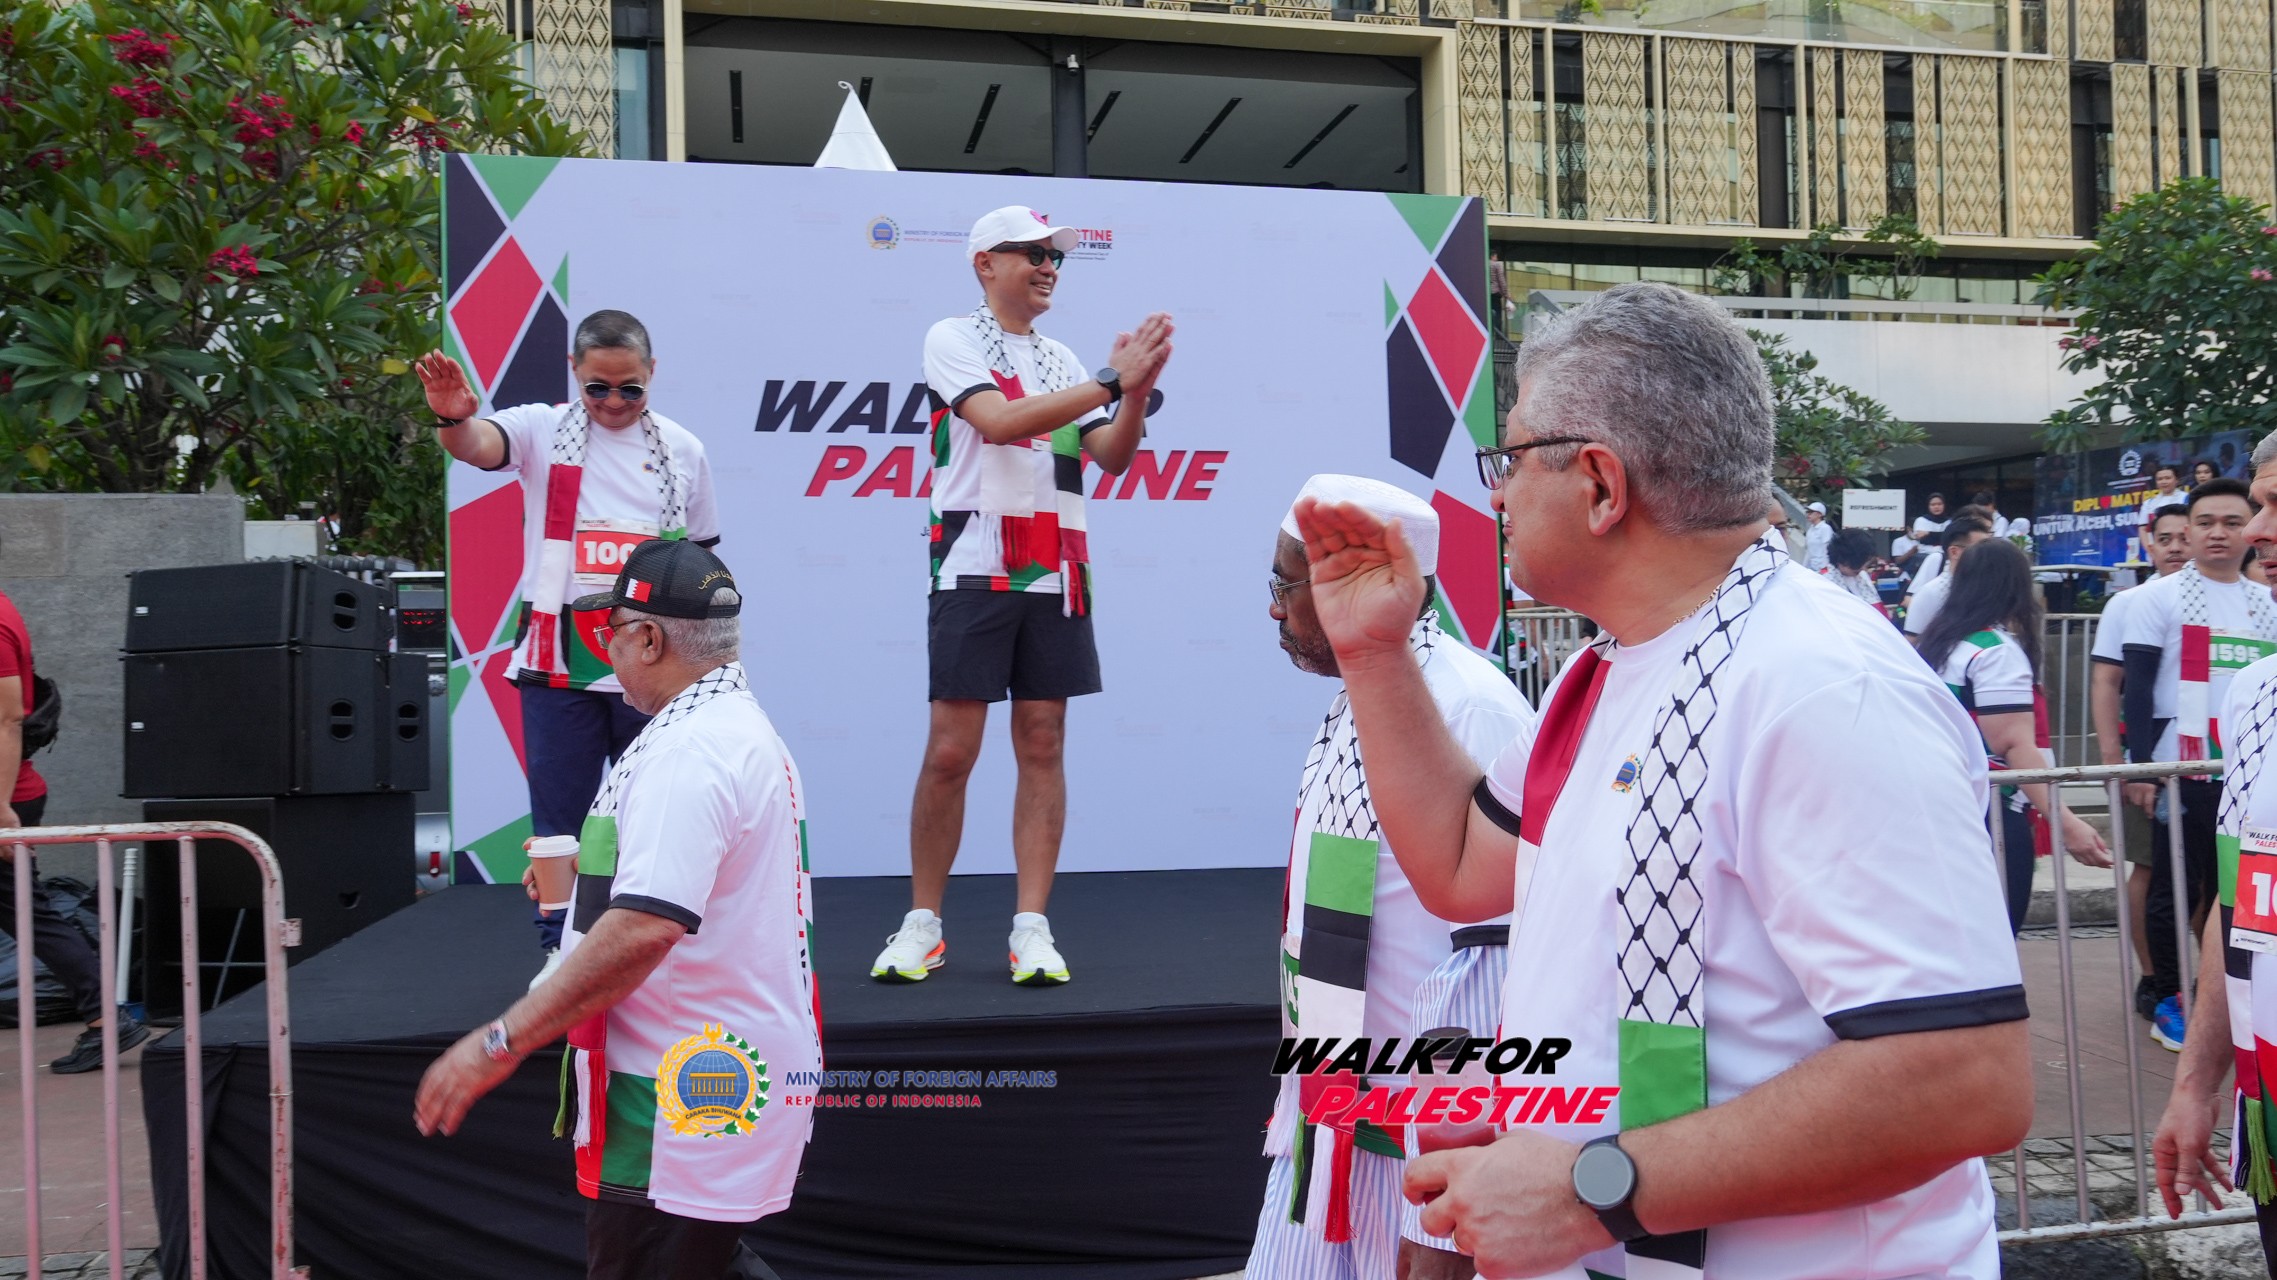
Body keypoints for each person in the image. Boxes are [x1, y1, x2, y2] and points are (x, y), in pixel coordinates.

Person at [1297, 283, 2029, 1280]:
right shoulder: (1611, 667)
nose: (1495, 496)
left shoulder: (1821, 687)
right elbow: (1461, 866)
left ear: (1601, 484)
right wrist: (1374, 649)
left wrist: (1593, 1187)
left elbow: (1963, 1080)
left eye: (1510, 459)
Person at [414, 540, 817, 1280]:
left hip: (678, 1089)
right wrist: (584, 892)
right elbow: (689, 895)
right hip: (705, 1072)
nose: (604, 647)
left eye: (611, 630)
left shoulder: (689, 750)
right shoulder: (723, 727)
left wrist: (498, 1043)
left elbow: (645, 929)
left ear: (651, 638)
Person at [870, 206, 1171, 987]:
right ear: (984, 263)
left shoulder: (1062, 357)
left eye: (1054, 256)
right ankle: (923, 923)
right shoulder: (952, 337)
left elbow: (1110, 456)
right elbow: (998, 424)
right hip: (972, 566)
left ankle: (1030, 928)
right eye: (1031, 253)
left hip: (1056, 568)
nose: (1047, 267)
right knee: (950, 752)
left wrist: (1132, 396)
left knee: (1042, 742)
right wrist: (1109, 380)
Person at [1248, 475, 1535, 1280]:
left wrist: (1441, 1211)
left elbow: (1489, 968)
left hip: (1412, 1158)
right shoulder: (1363, 692)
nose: (1272, 609)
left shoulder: (1469, 707)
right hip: (1331, 1126)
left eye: (1285, 586)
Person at [415, 311, 721, 987]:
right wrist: (452, 419)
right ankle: (562, 948)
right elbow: (477, 444)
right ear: (573, 372)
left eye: (630, 388)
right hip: (559, 663)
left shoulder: (684, 449)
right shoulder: (542, 428)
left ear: (652, 373)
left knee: (657, 818)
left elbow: (699, 565)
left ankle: (655, 950)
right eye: (597, 387)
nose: (613, 402)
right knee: (562, 823)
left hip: (653, 665)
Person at [2152, 430, 2277, 1264]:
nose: (2257, 530)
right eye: (2258, 505)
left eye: (2273, 507)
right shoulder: (2255, 693)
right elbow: (2237, 903)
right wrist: (2197, 1083)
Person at [2122, 477, 2277, 1051]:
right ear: (2186, 530)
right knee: (2172, 889)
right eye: (2205, 523)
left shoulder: (2265, 599)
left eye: (2232, 522)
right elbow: (2136, 688)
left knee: (2230, 889)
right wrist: (2139, 768)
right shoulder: (2156, 598)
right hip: (2176, 772)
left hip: (2245, 774)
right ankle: (2168, 996)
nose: (2219, 534)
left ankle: (2231, 1001)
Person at [1917, 540, 2112, 932]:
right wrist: (2067, 823)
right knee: (1994, 937)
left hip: (1938, 804)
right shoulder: (1995, 651)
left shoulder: (1937, 644)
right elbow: (2013, 745)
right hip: (1991, 810)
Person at [0, 587, 149, 1074]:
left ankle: (106, 1018)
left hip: (7, 799)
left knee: (29, 913)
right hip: (13, 795)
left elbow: (7, 720)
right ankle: (105, 1018)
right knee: (27, 912)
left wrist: (0, 809)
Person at [2093, 506, 2193, 1015]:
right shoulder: (2130, 602)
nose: (2176, 547)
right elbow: (2107, 683)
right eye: (2165, 538)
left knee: (2205, 876)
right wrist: (2123, 765)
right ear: (2148, 545)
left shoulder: (2227, 598)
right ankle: (2154, 978)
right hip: (2149, 760)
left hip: (2207, 762)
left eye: (2184, 537)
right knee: (2150, 868)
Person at [1903, 514, 1993, 640]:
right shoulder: (1932, 592)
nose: (1988, 555)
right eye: (1980, 549)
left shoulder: (1990, 588)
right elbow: (1912, 641)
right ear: (1954, 552)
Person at [1824, 528, 1882, 611]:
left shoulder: (1862, 576)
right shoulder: (1825, 581)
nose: (1863, 569)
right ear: (1843, 560)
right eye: (1858, 563)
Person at [2139, 463, 2189, 529]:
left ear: (2177, 480)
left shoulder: (2187, 498)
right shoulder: (2148, 504)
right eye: (2160, 479)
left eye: (2167, 478)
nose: (2164, 482)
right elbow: (2142, 528)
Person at [1802, 501, 1833, 571]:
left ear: (1819, 514)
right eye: (1807, 512)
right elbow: (1808, 551)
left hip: (1823, 569)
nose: (1808, 514)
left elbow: (1827, 549)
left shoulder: (1825, 528)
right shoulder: (1810, 530)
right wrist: (1803, 568)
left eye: (1811, 512)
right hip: (1812, 568)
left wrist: (1824, 568)